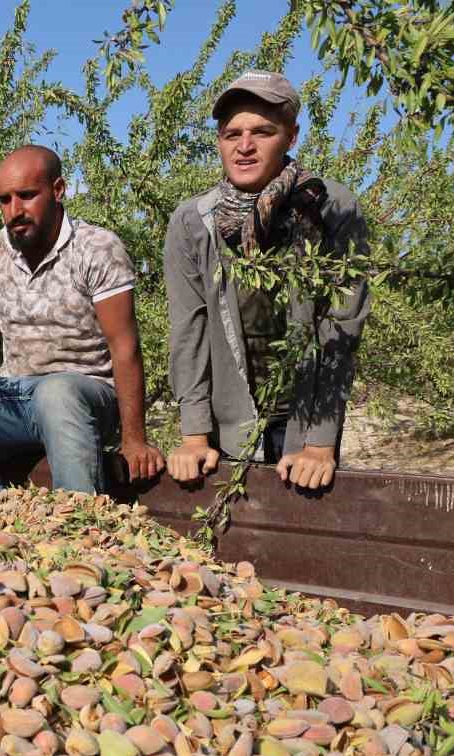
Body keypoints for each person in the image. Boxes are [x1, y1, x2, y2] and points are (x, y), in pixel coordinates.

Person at [0, 146, 165, 495]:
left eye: (27, 196)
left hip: (87, 393)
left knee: (56, 391)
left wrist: (135, 438)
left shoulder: (96, 248)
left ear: (58, 190)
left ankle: (79, 524)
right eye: (5, 200)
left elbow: (124, 344)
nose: (15, 211)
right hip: (15, 393)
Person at [164, 71, 371, 490]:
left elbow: (341, 328)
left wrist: (318, 443)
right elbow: (189, 330)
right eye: (231, 134)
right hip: (227, 425)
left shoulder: (331, 208)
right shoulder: (193, 221)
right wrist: (194, 435)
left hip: (304, 421)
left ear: (291, 137)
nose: (244, 146)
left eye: (262, 132)